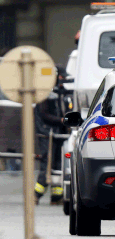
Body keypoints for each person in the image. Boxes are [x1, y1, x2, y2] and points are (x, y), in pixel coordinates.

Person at [34, 67, 67, 205]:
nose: (63, 80)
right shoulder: (44, 93)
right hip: (47, 133)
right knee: (47, 163)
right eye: (61, 77)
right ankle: (36, 194)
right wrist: (60, 120)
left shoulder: (58, 92)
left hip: (58, 133)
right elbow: (44, 115)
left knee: (59, 165)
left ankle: (56, 196)